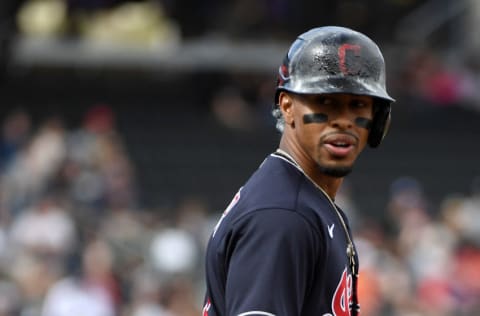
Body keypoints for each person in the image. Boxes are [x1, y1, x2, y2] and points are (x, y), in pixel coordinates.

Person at [203, 26, 395, 316]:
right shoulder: (283, 216)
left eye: (357, 104)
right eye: (326, 102)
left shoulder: (305, 200)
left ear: (378, 119)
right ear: (287, 106)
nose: (342, 121)